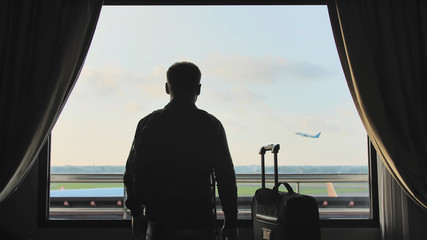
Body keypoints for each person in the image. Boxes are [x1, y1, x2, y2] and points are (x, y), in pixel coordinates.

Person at [124, 62, 239, 240]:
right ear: (198, 89)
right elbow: (225, 177)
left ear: (166, 88)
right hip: (200, 222)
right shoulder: (211, 125)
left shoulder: (148, 123)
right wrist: (231, 222)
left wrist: (137, 213)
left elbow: (132, 171)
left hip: (159, 223)